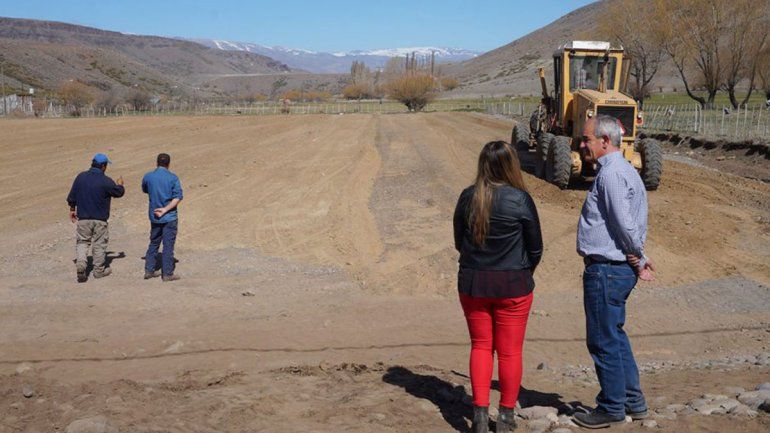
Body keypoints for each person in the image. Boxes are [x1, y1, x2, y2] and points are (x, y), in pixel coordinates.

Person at [453, 141, 543, 433]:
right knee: (509, 352)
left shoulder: (468, 197)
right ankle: (505, 416)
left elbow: (459, 243)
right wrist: (521, 271)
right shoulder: (520, 199)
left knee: (480, 346)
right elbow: (536, 248)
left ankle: (479, 415)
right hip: (513, 286)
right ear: (511, 165)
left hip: (473, 284)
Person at [573, 115, 655, 429]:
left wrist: (638, 256)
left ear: (605, 141)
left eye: (587, 139)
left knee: (603, 341)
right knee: (615, 338)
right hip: (614, 269)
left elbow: (624, 224)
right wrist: (636, 257)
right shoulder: (623, 171)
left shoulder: (611, 176)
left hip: (607, 269)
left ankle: (611, 408)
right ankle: (633, 402)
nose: (583, 145)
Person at [66, 153, 125, 282]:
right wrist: (120, 184)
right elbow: (119, 193)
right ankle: (98, 271)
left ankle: (81, 264)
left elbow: (72, 196)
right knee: (99, 244)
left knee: (82, 242)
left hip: (83, 219)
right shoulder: (106, 181)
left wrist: (72, 209)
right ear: (103, 166)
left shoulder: (81, 177)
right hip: (100, 220)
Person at [141, 153, 183, 282]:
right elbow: (177, 197)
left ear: (157, 163)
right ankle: (167, 273)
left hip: (154, 216)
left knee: (154, 242)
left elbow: (145, 189)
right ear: (168, 164)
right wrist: (165, 209)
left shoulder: (148, 176)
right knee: (168, 245)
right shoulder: (173, 178)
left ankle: (149, 270)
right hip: (169, 216)